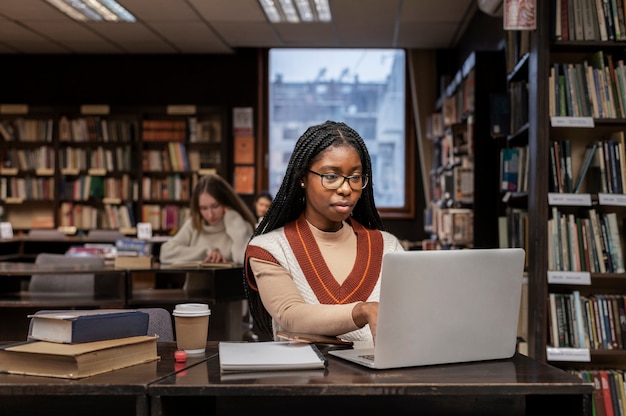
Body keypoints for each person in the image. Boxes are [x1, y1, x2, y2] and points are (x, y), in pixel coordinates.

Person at [244, 120, 405, 345]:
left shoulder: (389, 247)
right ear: (302, 178)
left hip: (379, 377)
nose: (346, 188)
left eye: (355, 177)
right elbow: (291, 315)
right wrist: (361, 311)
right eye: (331, 176)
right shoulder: (269, 249)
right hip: (303, 379)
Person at [159, 174, 256, 265]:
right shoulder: (194, 224)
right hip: (194, 283)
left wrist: (233, 218)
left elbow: (244, 259)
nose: (210, 215)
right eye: (204, 208)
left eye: (215, 206)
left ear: (226, 203)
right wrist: (208, 251)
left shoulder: (239, 225)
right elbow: (166, 253)